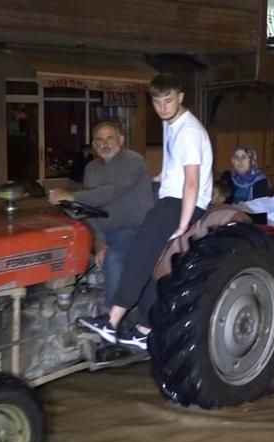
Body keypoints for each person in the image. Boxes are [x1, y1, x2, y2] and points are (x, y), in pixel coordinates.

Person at [77, 73, 213, 351]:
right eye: (158, 101)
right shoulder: (171, 123)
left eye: (169, 100)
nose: (163, 107)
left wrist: (183, 224)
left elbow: (191, 181)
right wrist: (159, 177)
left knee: (138, 254)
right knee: (152, 264)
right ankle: (145, 328)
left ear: (180, 97)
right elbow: (174, 163)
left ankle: (112, 323)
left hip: (180, 203)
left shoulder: (189, 131)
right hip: (172, 196)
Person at [48, 121, 154, 308]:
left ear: (120, 140)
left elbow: (111, 191)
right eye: (99, 140)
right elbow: (89, 208)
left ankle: (113, 321)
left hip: (134, 229)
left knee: (113, 259)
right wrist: (99, 241)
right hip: (107, 232)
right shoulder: (91, 169)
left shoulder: (133, 160)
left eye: (109, 138)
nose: (104, 143)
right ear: (94, 145)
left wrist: (72, 195)